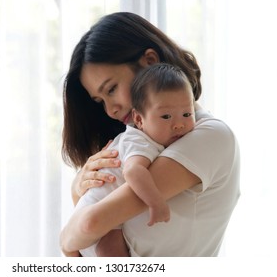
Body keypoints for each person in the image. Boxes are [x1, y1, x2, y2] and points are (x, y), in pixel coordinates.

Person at [60, 12, 240, 257]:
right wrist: (77, 190)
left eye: (111, 89)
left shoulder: (210, 137)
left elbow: (89, 225)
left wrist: (65, 240)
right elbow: (84, 248)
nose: (110, 110)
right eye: (100, 101)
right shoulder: (138, 142)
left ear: (150, 61)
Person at [79, 63, 196, 257]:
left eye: (187, 114)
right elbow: (133, 171)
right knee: (112, 249)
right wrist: (156, 202)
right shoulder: (140, 140)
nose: (179, 124)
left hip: (95, 214)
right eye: (166, 116)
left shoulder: (155, 136)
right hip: (98, 213)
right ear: (139, 120)